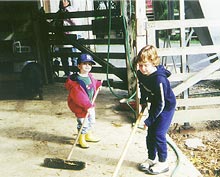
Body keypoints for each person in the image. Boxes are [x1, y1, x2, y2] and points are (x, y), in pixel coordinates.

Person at [135, 45, 176, 175]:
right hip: (156, 103)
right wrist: (142, 101)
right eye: (140, 65)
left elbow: (161, 103)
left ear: (153, 62)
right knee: (150, 134)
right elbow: (143, 87)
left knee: (158, 134)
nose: (143, 68)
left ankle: (163, 163)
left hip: (166, 107)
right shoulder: (140, 73)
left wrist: (150, 119)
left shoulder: (160, 80)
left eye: (146, 65)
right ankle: (151, 158)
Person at [65, 53, 102, 148]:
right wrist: (87, 106)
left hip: (90, 104)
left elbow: (91, 85)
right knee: (83, 124)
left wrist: (98, 84)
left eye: (90, 64)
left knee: (91, 121)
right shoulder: (76, 81)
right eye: (85, 63)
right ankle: (81, 139)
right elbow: (79, 96)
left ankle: (88, 135)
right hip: (81, 107)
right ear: (79, 66)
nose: (87, 66)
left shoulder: (89, 76)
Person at [58, 0, 79, 77]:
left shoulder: (70, 10)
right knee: (64, 57)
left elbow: (75, 23)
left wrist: (67, 16)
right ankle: (67, 73)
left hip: (70, 36)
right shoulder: (59, 12)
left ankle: (75, 73)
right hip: (62, 37)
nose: (63, 2)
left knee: (73, 56)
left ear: (68, 2)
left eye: (65, 0)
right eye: (62, 0)